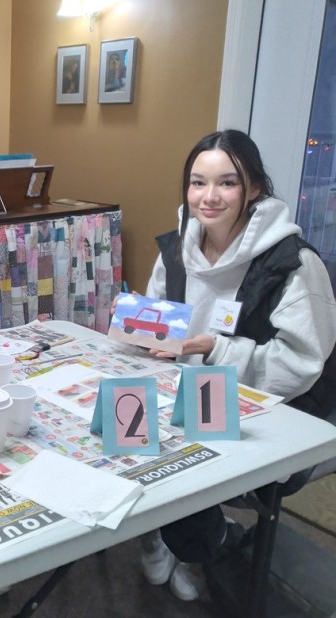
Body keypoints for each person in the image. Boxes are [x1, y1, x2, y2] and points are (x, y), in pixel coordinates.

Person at [139, 129, 336, 601]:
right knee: (122, 425)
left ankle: (206, 544)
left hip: (270, 403)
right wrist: (140, 329)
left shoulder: (292, 263)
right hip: (187, 390)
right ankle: (171, 531)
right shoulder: (177, 249)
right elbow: (158, 318)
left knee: (184, 465)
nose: (209, 196)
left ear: (254, 189)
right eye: (197, 182)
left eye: (227, 183)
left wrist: (217, 351)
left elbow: (301, 363)